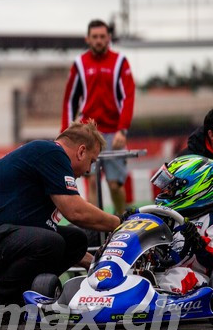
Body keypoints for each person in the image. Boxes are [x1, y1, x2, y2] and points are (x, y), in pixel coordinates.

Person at [0, 120, 121, 308]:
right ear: (81, 151)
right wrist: (120, 224)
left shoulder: (47, 158)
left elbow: (54, 231)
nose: (88, 170)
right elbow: (75, 211)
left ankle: (22, 293)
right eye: (91, 161)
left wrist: (95, 264)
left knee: (75, 241)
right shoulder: (52, 154)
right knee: (51, 243)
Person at [61, 19, 135, 216]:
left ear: (108, 38)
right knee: (92, 182)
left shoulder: (120, 62)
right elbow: (70, 100)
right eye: (95, 37)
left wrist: (123, 129)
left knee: (115, 184)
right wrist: (65, 134)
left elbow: (128, 96)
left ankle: (122, 221)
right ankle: (96, 231)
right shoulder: (79, 64)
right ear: (88, 38)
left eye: (102, 37)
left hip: (114, 132)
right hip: (88, 133)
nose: (99, 40)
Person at [150, 154, 213, 294]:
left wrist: (197, 242)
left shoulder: (209, 219)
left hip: (194, 277)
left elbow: (209, 260)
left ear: (194, 187)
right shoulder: (166, 216)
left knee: (174, 279)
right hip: (160, 273)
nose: (165, 191)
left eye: (170, 187)